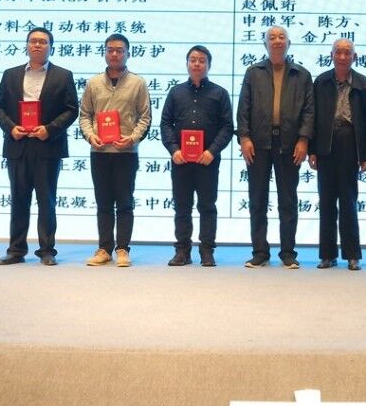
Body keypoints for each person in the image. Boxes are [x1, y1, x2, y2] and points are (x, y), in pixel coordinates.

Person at [0, 27, 78, 266]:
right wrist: (11, 128)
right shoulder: (10, 74)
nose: (37, 45)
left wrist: (49, 129)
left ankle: (47, 250)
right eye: (33, 41)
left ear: (51, 47)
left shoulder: (63, 75)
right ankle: (16, 250)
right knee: (19, 199)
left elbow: (72, 110)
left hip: (48, 146)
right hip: (18, 145)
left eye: (43, 41)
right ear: (27, 46)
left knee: (46, 200)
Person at [236, 26, 314, 268]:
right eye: (272, 38)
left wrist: (303, 139)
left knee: (288, 200)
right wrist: (244, 138)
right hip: (258, 143)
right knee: (257, 199)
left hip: (289, 143)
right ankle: (260, 251)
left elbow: (309, 111)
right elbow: (243, 108)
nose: (277, 41)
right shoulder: (253, 72)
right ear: (265, 45)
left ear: (289, 44)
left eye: (282, 37)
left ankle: (288, 252)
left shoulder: (302, 74)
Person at [78, 33, 150, 268]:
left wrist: (133, 139)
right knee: (103, 203)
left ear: (128, 53)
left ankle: (123, 249)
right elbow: (85, 115)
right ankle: (104, 248)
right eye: (110, 50)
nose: (115, 54)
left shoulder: (138, 83)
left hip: (126, 154)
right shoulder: (93, 83)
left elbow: (145, 117)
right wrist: (91, 136)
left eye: (120, 50)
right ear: (105, 53)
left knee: (125, 203)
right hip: (99, 152)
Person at [160, 45, 234, 267]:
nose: (197, 64)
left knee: (207, 206)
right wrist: (174, 149)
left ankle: (207, 250)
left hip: (207, 161)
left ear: (209, 65)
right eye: (193, 60)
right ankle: (182, 251)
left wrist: (212, 151)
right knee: (182, 207)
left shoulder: (220, 93)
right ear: (187, 64)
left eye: (202, 60)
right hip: (181, 160)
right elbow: (165, 123)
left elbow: (227, 127)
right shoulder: (176, 92)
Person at [309, 38, 366, 270]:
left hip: (350, 142)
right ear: (331, 55)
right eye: (338, 52)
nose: (342, 56)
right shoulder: (321, 82)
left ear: (354, 57)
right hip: (325, 145)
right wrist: (311, 149)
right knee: (326, 200)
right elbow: (312, 117)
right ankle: (327, 255)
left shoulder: (364, 85)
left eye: (347, 53)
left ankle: (352, 255)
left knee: (348, 200)